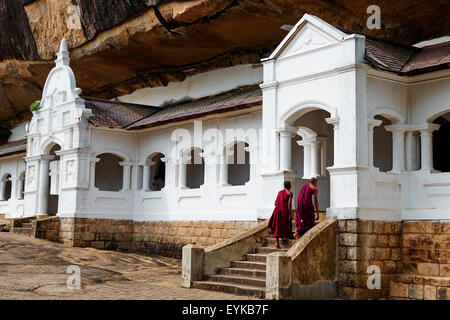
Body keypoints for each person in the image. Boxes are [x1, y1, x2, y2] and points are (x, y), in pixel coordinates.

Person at [268, 181, 293, 249]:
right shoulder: (290, 193)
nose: (291, 186)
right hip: (285, 211)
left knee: (277, 226)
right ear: (289, 186)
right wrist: (290, 214)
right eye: (290, 185)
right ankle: (285, 236)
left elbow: (275, 203)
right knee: (285, 223)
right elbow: (289, 205)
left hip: (278, 210)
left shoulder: (280, 192)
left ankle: (277, 243)